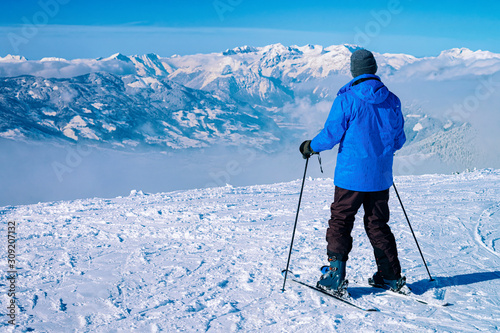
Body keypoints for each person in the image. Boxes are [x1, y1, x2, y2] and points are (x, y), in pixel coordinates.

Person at [299, 49, 408, 295]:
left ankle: (335, 277)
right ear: (374, 68)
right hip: (380, 176)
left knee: (341, 220)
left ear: (353, 71)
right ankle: (391, 277)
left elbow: (330, 135)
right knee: (378, 224)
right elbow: (399, 140)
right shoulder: (392, 99)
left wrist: (309, 147)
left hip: (351, 176)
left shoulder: (346, 99)